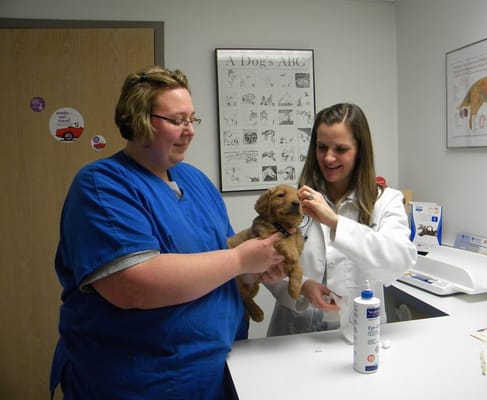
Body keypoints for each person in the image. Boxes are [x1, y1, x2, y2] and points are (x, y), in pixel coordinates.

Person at [49, 66, 288, 399]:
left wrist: (256, 269)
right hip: (141, 381)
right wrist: (239, 260)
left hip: (216, 371)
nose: (189, 131)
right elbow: (134, 286)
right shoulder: (102, 185)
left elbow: (217, 261)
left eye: (192, 120)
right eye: (177, 120)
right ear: (139, 120)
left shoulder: (196, 181)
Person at [265, 103, 417, 336]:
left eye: (341, 149)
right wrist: (302, 286)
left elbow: (399, 261)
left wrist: (336, 223)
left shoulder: (386, 200)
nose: (328, 158)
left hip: (357, 333)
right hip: (295, 332)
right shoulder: (293, 200)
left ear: (360, 151)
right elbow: (267, 263)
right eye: (322, 147)